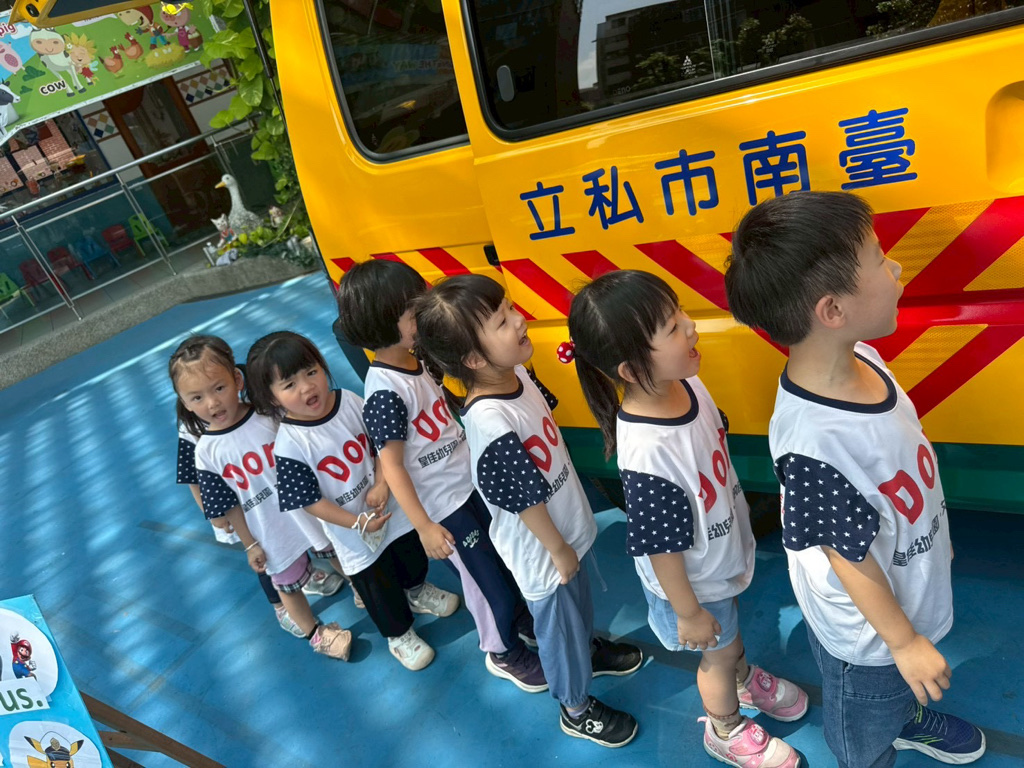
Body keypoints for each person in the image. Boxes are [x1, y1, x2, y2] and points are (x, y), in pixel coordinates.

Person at [724, 191, 986, 767]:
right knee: (863, 722)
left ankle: (904, 716)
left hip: (905, 588)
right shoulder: (815, 443)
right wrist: (904, 642)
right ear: (832, 310)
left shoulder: (863, 357)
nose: (897, 268)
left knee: (896, 693)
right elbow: (850, 559)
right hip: (868, 640)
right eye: (879, 259)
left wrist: (932, 536)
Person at [568, 269, 807, 766]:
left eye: (679, 312)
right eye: (672, 327)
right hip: (690, 585)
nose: (691, 326)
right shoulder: (648, 451)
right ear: (631, 369)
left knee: (729, 631)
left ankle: (742, 678)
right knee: (714, 653)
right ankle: (724, 727)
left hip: (717, 556)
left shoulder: (688, 383)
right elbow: (660, 546)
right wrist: (688, 612)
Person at [414, 273, 642, 748]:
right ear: (474, 359)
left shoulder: (516, 376)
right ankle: (575, 707)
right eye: (502, 321)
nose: (519, 321)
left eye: (511, 309)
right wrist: (557, 548)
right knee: (558, 628)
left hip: (562, 533)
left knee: (576, 613)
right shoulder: (490, 420)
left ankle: (586, 650)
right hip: (544, 551)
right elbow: (524, 498)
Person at [335, 259, 544, 689]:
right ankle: (502, 650)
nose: (425, 313)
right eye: (414, 310)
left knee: (504, 563)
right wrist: (424, 526)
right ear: (383, 322)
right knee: (485, 582)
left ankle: (519, 620)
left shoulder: (419, 362)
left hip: (469, 488)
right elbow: (392, 465)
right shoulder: (384, 392)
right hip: (446, 511)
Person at [245, 331, 462, 671]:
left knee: (410, 555)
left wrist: (381, 482)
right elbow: (310, 501)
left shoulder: (348, 401)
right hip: (354, 537)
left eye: (311, 372)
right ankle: (399, 634)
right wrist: (357, 523)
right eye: (289, 384)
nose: (307, 387)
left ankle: (418, 590)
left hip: (391, 512)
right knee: (377, 586)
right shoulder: (289, 444)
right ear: (271, 397)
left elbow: (381, 443)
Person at [168, 335, 353, 660]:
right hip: (269, 530)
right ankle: (315, 633)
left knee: (337, 550)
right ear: (185, 402)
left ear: (237, 380)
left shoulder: (269, 414)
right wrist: (250, 544)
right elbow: (228, 505)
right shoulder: (206, 452)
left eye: (219, 388)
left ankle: (366, 588)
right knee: (287, 585)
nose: (212, 403)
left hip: (309, 510)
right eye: (197, 397)